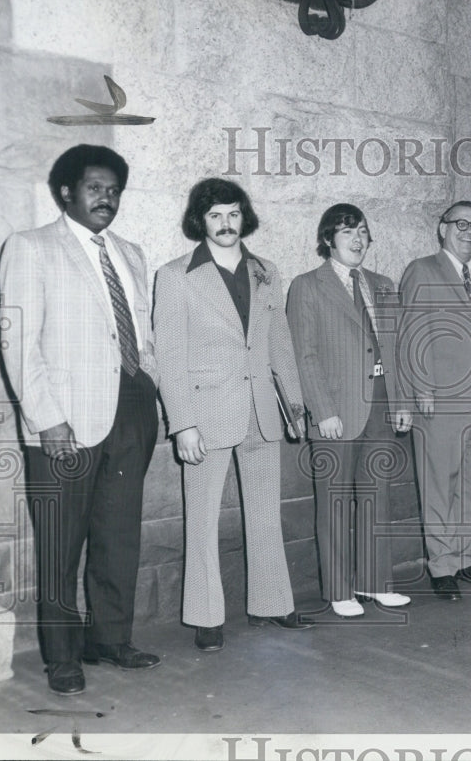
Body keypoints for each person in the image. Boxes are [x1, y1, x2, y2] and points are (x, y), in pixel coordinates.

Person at [0, 144, 160, 695]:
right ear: (67, 191)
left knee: (119, 537)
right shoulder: (31, 248)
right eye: (95, 187)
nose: (107, 198)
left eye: (114, 189)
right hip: (65, 421)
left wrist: (152, 391)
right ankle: (62, 656)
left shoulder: (131, 252)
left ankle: (109, 640)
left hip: (132, 409)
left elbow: (141, 331)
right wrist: (48, 420)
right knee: (61, 544)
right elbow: (20, 343)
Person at [153, 178, 311, 652]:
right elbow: (170, 355)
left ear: (245, 217)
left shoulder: (267, 271)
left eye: (234, 213)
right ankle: (205, 616)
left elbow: (279, 342)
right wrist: (182, 423)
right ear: (200, 220)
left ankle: (271, 603)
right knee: (201, 518)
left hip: (261, 411)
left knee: (265, 516)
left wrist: (295, 406)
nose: (225, 224)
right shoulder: (176, 274)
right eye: (215, 215)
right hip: (205, 415)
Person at [286, 204, 414, 618]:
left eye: (362, 232)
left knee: (378, 497)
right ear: (327, 239)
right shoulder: (307, 286)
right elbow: (303, 355)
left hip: (380, 401)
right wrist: (321, 410)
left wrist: (402, 402)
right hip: (335, 409)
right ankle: (340, 590)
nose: (357, 240)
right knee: (336, 500)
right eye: (346, 233)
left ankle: (376, 583)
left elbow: (397, 350)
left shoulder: (384, 284)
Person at [398, 201, 471, 600]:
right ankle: (441, 565)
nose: (469, 231)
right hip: (440, 398)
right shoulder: (421, 270)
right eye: (460, 224)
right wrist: (419, 388)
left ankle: (463, 558)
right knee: (439, 485)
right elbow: (408, 335)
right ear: (442, 228)